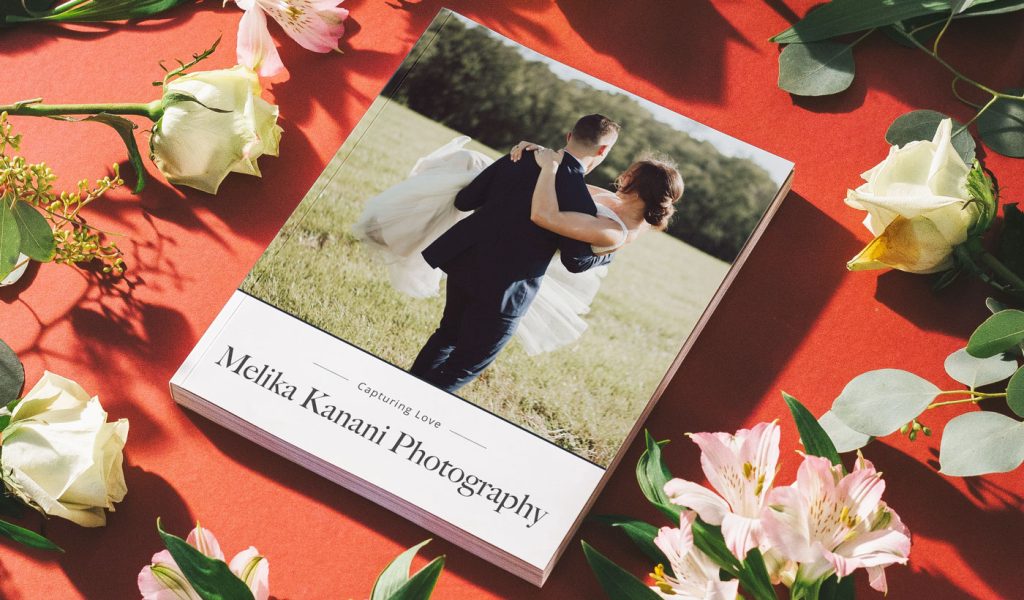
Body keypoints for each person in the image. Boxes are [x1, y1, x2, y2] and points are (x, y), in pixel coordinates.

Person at [409, 114, 621, 393]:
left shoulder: (521, 156)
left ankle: (403, 391)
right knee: (464, 366)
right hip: (506, 289)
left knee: (446, 335)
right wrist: (612, 249)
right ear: (603, 150)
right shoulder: (580, 198)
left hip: (466, 262)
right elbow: (575, 260)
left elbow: (465, 200)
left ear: (569, 136)